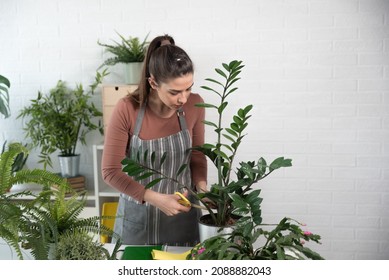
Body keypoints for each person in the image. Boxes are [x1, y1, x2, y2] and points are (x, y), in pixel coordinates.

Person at [101, 34, 208, 246]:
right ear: (153, 82)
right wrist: (156, 198)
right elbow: (110, 172)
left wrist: (204, 190)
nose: (184, 98)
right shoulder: (127, 108)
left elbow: (196, 157)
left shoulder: (195, 105)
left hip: (183, 219)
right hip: (137, 220)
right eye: (175, 92)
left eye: (189, 88)